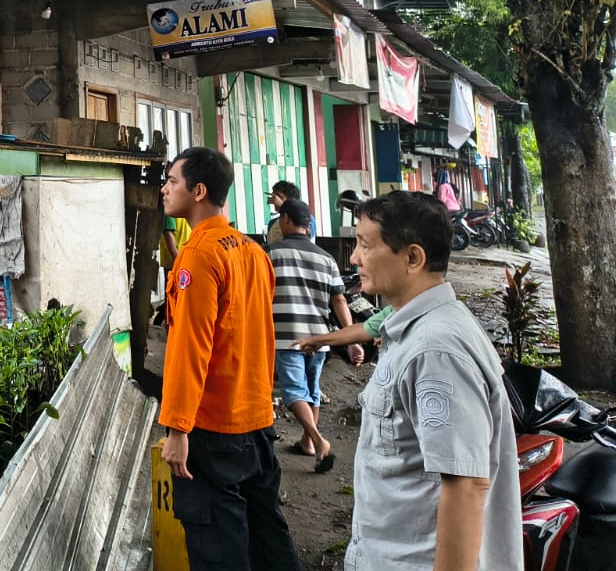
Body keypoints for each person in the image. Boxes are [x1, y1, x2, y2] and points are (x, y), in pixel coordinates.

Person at [344, 190, 523, 571]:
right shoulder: (418, 333)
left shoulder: (435, 349)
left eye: (364, 245)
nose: (354, 258)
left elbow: (466, 485)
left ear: (412, 257)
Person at [161, 146, 302, 571]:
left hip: (212, 428)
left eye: (172, 181)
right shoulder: (251, 251)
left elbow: (190, 345)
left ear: (198, 191)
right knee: (267, 542)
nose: (164, 190)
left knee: (219, 552)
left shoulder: (199, 256)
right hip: (256, 422)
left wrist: (177, 428)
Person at [269, 199, 362, 473]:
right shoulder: (326, 258)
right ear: (308, 225)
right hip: (320, 338)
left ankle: (319, 441)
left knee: (294, 391)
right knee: (312, 389)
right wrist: (350, 338)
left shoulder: (270, 254)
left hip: (287, 335)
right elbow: (340, 301)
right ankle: (307, 442)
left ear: (285, 220)